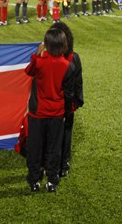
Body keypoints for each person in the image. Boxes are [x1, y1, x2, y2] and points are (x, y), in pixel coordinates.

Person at [24, 27, 74, 193]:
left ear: (46, 44)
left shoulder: (39, 62)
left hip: (37, 113)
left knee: (35, 147)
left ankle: (34, 180)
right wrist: (67, 112)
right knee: (54, 148)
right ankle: (52, 180)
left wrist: (37, 54)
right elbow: (69, 92)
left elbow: (28, 72)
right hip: (57, 113)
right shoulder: (68, 65)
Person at [49, 21, 84, 179]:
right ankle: (64, 164)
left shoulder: (48, 59)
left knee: (53, 135)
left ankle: (54, 164)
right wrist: (77, 102)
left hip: (52, 105)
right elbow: (78, 83)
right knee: (66, 134)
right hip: (67, 105)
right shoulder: (73, 57)